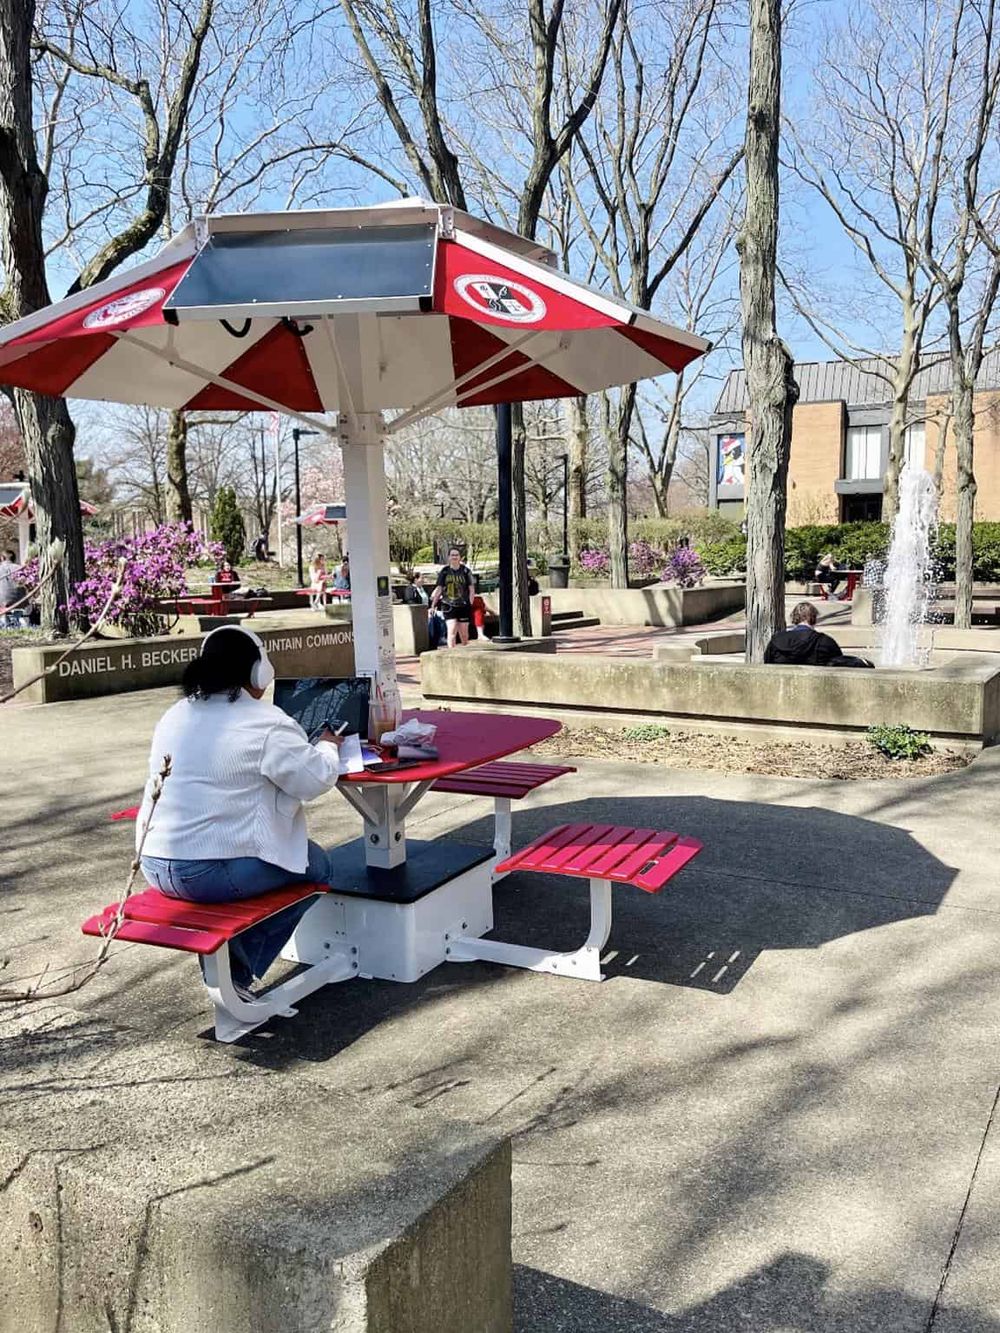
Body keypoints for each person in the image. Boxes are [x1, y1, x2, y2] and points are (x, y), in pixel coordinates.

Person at [138, 626, 346, 998]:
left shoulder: (174, 714)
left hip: (154, 864)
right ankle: (238, 967)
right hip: (209, 875)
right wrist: (329, 747)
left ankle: (232, 962)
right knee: (317, 866)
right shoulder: (268, 723)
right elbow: (314, 781)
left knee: (289, 857)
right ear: (258, 671)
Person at [764, 601, 873, 668]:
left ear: (794, 618)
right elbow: (839, 664)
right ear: (814, 618)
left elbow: (767, 663)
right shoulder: (825, 642)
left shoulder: (777, 640)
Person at [431, 547, 475, 647]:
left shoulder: (466, 571)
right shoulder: (445, 571)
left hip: (463, 605)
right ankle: (451, 654)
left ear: (460, 557)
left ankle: (464, 654)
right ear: (449, 557)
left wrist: (470, 603)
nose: (454, 557)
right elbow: (439, 589)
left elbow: (472, 589)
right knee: (451, 632)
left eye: (456, 555)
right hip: (448, 605)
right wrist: (433, 604)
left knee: (464, 635)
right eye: (452, 555)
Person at [0, 549, 24, 627]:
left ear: (2, 558)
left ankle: (5, 622)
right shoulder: (20, 568)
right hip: (21, 601)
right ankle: (17, 620)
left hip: (3, 602)